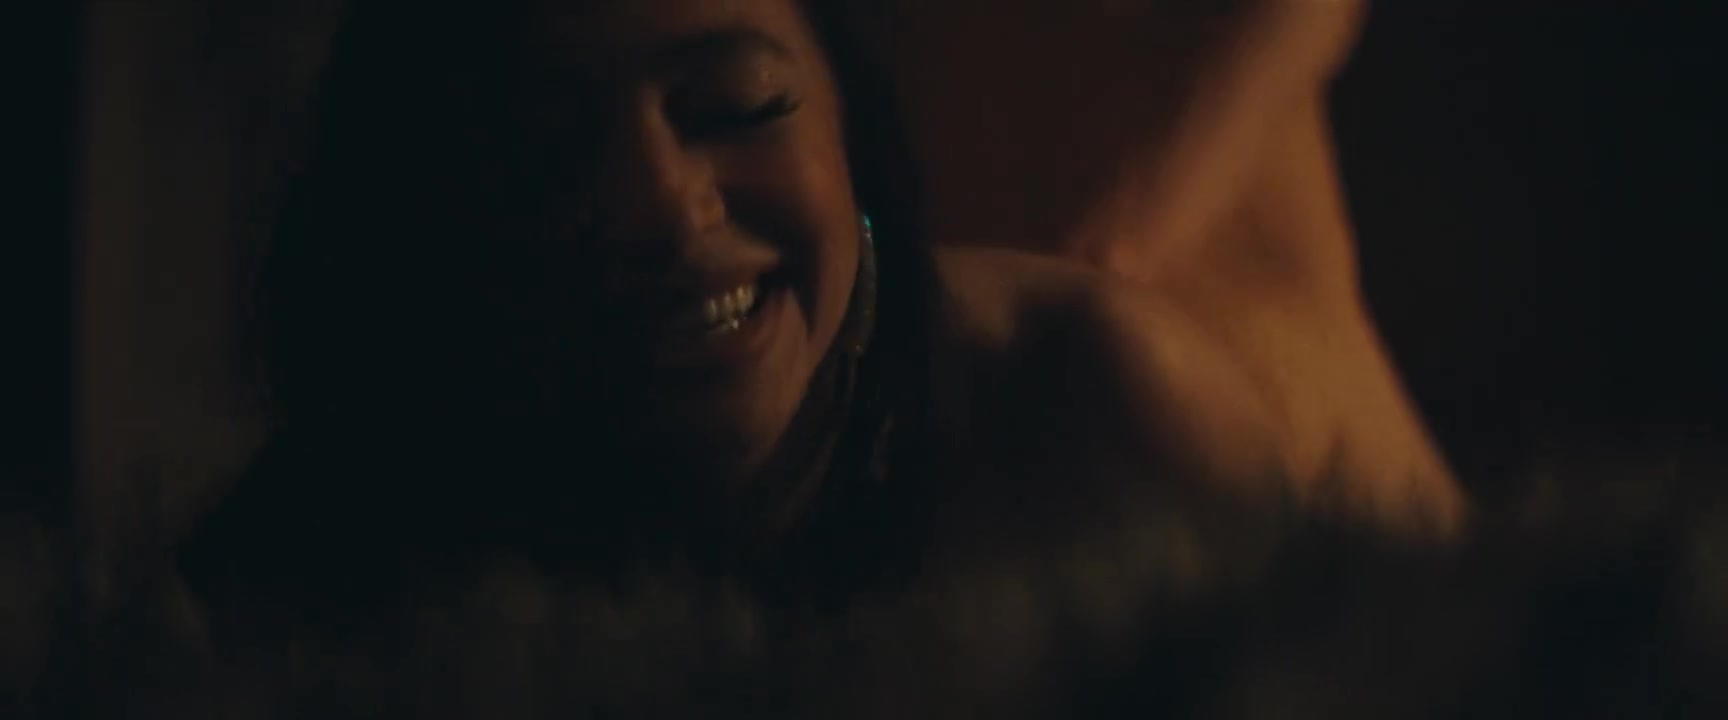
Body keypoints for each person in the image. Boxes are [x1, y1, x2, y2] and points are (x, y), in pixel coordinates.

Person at [61, 0, 1468, 716]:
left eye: (736, 104)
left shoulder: (1096, 414)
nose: (660, 204)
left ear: (856, 125)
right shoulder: (332, 544)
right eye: (547, 142)